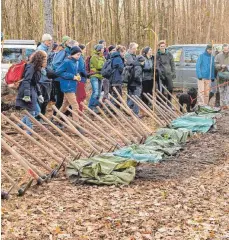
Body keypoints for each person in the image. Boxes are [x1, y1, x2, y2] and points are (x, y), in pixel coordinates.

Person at [16, 51, 47, 134]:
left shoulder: (38, 68)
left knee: (37, 110)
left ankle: (20, 124)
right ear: (40, 60)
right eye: (45, 59)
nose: (46, 61)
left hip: (32, 90)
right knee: (32, 110)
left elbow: (35, 82)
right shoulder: (31, 67)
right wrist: (26, 95)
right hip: (27, 90)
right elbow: (26, 81)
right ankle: (29, 130)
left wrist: (39, 94)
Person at [55, 46, 82, 122]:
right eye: (77, 55)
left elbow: (74, 72)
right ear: (72, 54)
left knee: (65, 104)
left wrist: (77, 75)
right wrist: (72, 76)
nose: (78, 57)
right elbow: (58, 72)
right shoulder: (66, 61)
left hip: (72, 85)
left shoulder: (76, 62)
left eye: (80, 55)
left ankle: (56, 119)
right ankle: (76, 124)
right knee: (75, 105)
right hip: (67, 86)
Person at [52, 36, 72, 116]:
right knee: (60, 99)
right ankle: (54, 116)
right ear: (65, 42)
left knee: (66, 99)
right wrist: (62, 71)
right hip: (59, 79)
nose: (70, 42)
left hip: (65, 79)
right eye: (69, 41)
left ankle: (62, 116)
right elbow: (55, 64)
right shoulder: (62, 52)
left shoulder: (69, 52)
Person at [156, 40, 176, 107]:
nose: (162, 47)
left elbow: (172, 64)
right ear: (159, 47)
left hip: (168, 74)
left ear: (165, 46)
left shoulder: (169, 54)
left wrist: (173, 72)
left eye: (164, 46)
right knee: (161, 90)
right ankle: (161, 103)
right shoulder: (157, 55)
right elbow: (157, 65)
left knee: (170, 88)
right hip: (161, 75)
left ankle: (169, 102)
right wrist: (160, 73)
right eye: (161, 46)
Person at [88, 44, 105, 112]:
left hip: (100, 76)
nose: (103, 49)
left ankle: (96, 107)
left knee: (99, 92)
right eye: (102, 48)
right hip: (94, 76)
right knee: (95, 92)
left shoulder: (102, 57)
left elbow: (104, 65)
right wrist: (103, 61)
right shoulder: (94, 57)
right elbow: (99, 66)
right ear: (99, 49)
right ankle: (91, 107)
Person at [215, 44, 229, 109]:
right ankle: (222, 105)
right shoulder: (218, 56)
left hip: (228, 77)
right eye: (225, 49)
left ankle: (226, 105)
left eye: (227, 49)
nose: (226, 51)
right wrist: (221, 66)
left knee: (227, 91)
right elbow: (215, 65)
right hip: (221, 77)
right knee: (221, 91)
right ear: (222, 49)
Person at [76, 44, 87, 112]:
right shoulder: (80, 58)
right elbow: (81, 69)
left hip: (82, 78)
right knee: (80, 96)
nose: (85, 51)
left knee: (82, 95)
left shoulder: (81, 57)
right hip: (80, 79)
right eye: (85, 50)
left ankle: (80, 110)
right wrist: (86, 74)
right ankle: (79, 111)